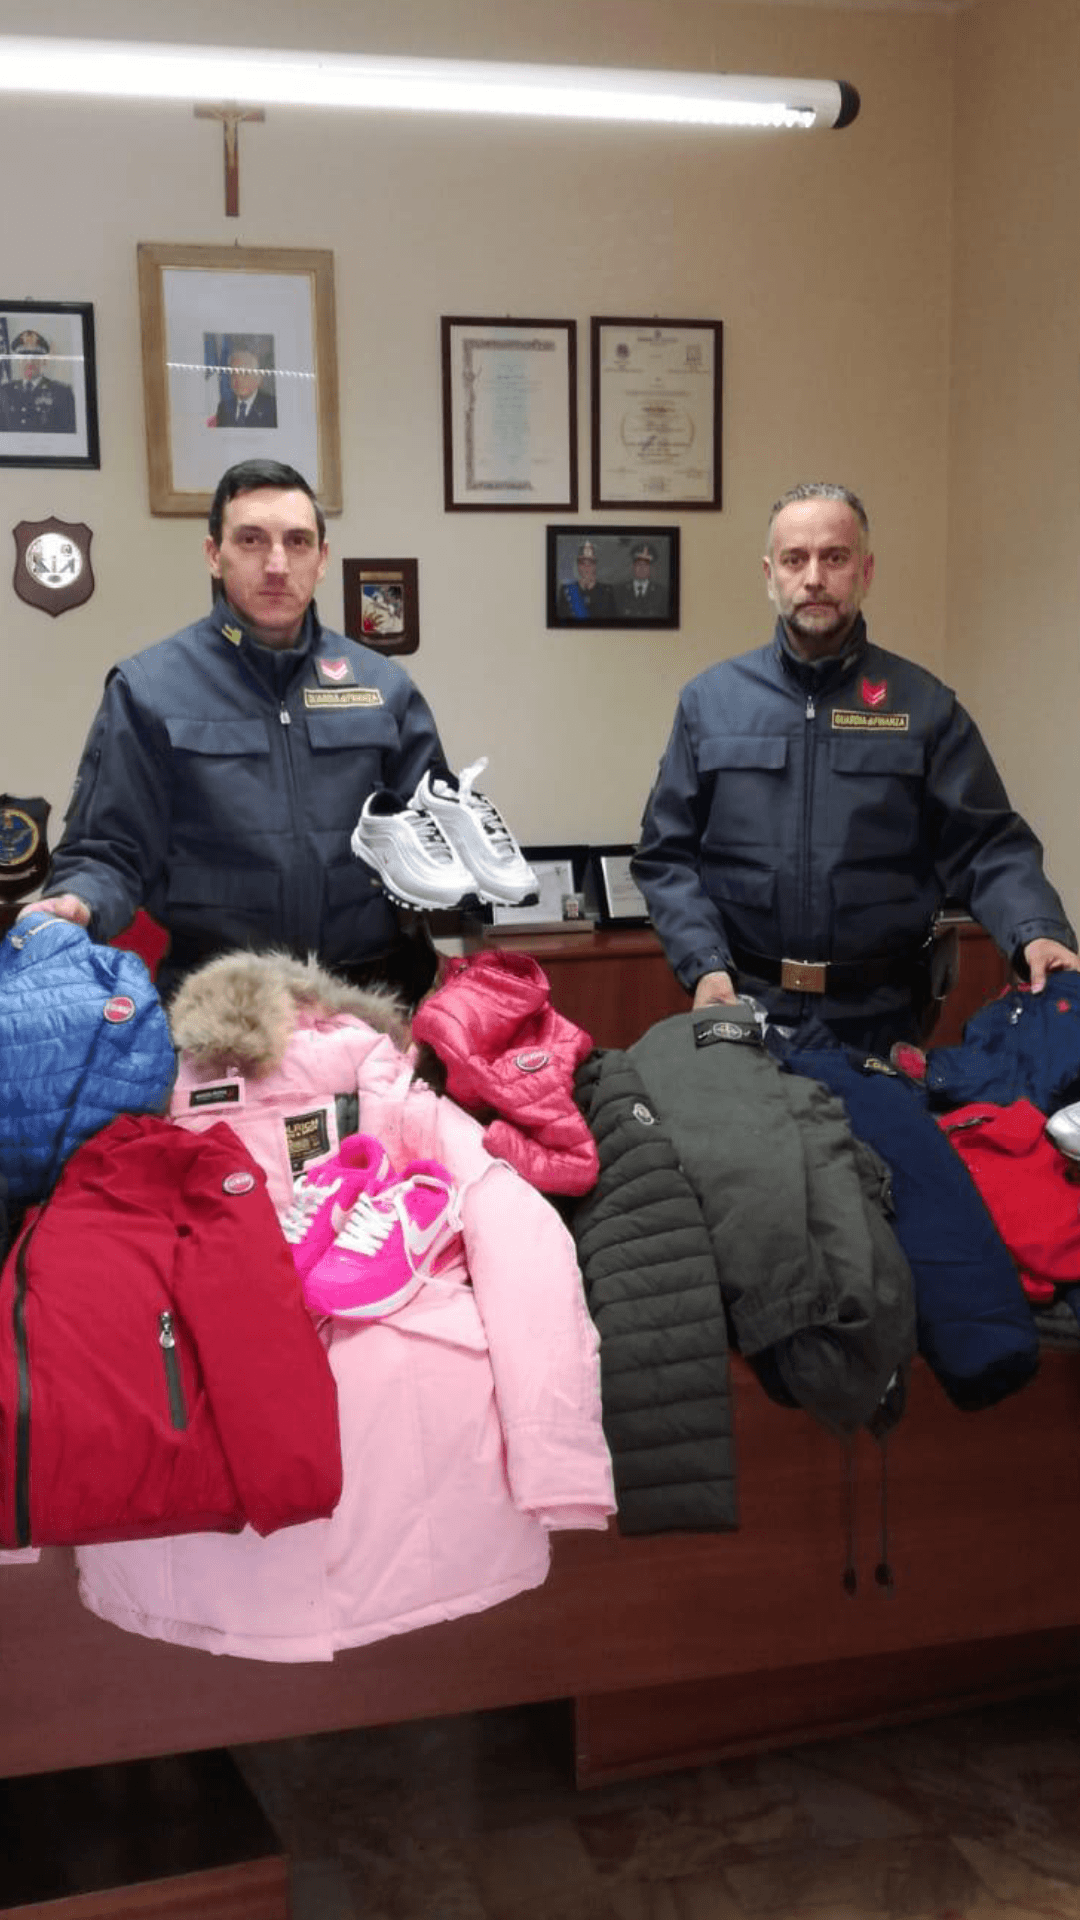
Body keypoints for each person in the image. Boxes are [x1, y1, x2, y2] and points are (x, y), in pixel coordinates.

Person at [631, 481, 1080, 1051]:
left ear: (865, 572)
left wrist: (1035, 932)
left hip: (882, 1018)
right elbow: (665, 856)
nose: (814, 577)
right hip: (745, 1004)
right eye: (795, 559)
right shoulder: (711, 703)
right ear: (769, 575)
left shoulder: (924, 707)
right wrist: (705, 965)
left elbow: (988, 846)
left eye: (835, 557)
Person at [27, 459, 449, 1003]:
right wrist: (78, 902)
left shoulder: (382, 686)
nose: (277, 564)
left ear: (322, 559)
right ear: (214, 554)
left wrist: (466, 864)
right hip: (221, 1007)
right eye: (251, 540)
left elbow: (433, 832)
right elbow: (108, 850)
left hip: (371, 1001)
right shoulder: (151, 689)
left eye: (297, 542)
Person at [0, 329, 76, 434]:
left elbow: (69, 434)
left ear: (44, 360)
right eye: (24, 355)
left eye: (35, 355)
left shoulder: (62, 392)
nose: (29, 361)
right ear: (18, 361)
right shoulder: (4, 391)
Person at [213, 348, 277, 428]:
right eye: (234, 374)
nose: (239, 380)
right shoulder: (223, 408)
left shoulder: (272, 407)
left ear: (259, 378)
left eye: (245, 373)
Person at [557, 541, 616, 621]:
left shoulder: (607, 592)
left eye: (590, 563)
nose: (586, 568)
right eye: (583, 564)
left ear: (595, 566)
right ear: (578, 566)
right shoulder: (566, 590)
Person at [614, 542, 666, 619]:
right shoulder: (618, 591)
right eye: (639, 564)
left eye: (646, 565)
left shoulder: (662, 593)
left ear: (651, 568)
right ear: (633, 566)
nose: (642, 568)